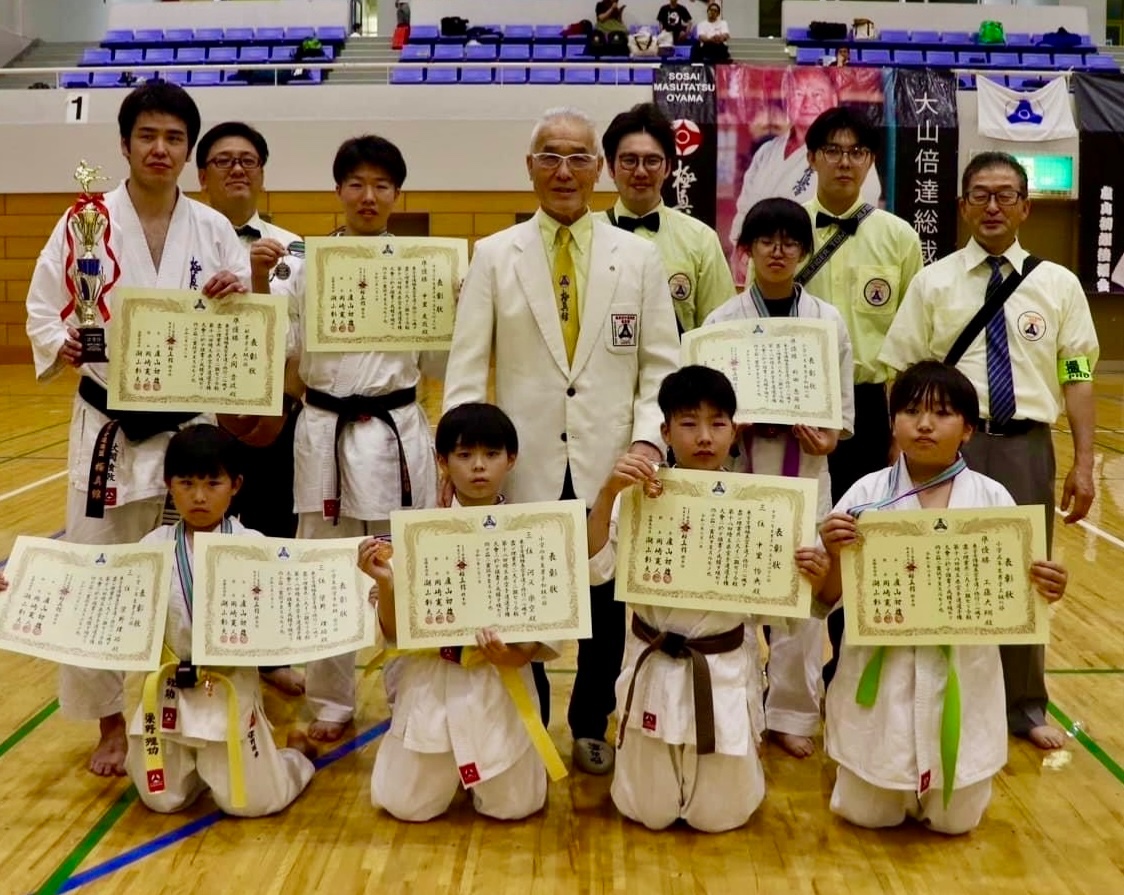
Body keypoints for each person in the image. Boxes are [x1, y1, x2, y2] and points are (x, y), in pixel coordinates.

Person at [443, 107, 680, 776]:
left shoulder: (639, 257)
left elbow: (659, 365)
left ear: (598, 169)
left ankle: (590, 721)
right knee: (526, 596)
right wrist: (461, 458)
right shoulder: (494, 254)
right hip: (523, 463)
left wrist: (647, 443)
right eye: (550, 155)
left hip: (612, 463)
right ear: (530, 167)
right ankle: (531, 718)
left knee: (606, 607)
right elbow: (466, 365)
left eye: (578, 156)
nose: (564, 169)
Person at [24, 82, 249, 777]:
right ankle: (110, 723)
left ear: (189, 152)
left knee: (198, 572)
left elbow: (245, 318)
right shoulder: (83, 221)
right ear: (123, 144)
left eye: (175, 138)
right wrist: (59, 339)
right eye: (148, 135)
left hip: (190, 429)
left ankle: (202, 705)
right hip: (109, 426)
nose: (160, 148)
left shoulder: (214, 229)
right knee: (103, 576)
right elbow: (43, 307)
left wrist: (236, 292)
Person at [879, 152, 1098, 750]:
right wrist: (899, 455)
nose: (993, 206)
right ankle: (925, 695)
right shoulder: (934, 282)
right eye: (980, 195)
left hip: (1026, 448)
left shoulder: (1059, 286)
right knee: (933, 571)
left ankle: (1024, 706)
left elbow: (1076, 374)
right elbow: (900, 374)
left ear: (1026, 206)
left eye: (1005, 195)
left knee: (1025, 576)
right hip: (944, 453)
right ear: (962, 207)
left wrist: (1083, 462)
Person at [818, 361, 1068, 833]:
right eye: (911, 411)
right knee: (868, 814)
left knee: (956, 822)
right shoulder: (865, 495)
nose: (925, 424)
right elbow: (827, 597)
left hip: (961, 677)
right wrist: (831, 553)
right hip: (882, 671)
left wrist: (1047, 586)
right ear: (893, 423)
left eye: (943, 413)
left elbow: (1019, 597)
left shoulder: (993, 501)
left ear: (969, 430)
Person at [586, 366, 830, 830]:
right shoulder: (636, 494)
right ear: (664, 432)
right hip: (654, 662)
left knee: (718, 816)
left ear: (735, 431)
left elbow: (781, 615)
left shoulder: (764, 506)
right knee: (648, 811)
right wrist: (606, 492)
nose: (704, 436)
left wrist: (810, 581)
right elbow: (597, 570)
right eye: (688, 423)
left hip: (721, 671)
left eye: (717, 423)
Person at [288, 135, 443, 743]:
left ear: (397, 195)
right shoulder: (304, 268)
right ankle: (331, 697)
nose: (369, 195)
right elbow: (291, 357)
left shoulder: (419, 269)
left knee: (402, 565)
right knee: (327, 567)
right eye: (356, 183)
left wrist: (448, 305)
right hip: (324, 429)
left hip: (393, 432)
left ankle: (412, 688)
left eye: (381, 185)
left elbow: (433, 363)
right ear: (338, 191)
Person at [704, 198, 854, 757]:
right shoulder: (722, 324)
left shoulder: (826, 321)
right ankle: (738, 705)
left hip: (807, 477)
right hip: (741, 477)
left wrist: (831, 436)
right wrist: (729, 430)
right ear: (745, 251)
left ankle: (791, 713)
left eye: (790, 241)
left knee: (801, 606)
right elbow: (708, 416)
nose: (777, 250)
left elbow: (841, 413)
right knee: (737, 599)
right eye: (765, 240)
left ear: (803, 251)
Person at [362, 403, 558, 821]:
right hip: (434, 677)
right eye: (464, 456)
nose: (478, 467)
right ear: (442, 461)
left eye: (491, 455)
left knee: (514, 807)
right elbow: (397, 630)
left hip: (500, 677)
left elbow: (547, 623)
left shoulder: (534, 532)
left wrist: (516, 655)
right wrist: (385, 582)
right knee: (404, 806)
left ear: (512, 459)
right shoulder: (419, 535)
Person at [793, 107, 924, 686]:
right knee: (801, 537)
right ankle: (786, 677)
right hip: (798, 407)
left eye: (857, 152)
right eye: (832, 149)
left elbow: (911, 344)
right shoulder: (786, 229)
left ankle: (849, 662)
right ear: (812, 157)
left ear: (870, 162)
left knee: (864, 535)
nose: (844, 161)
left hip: (870, 408)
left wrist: (901, 432)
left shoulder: (898, 237)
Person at [129, 425, 314, 815]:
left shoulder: (254, 546)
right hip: (170, 690)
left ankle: (292, 760)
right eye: (187, 483)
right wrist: (17, 588)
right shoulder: (151, 548)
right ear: (169, 485)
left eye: (213, 482)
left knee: (253, 804)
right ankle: (197, 770)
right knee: (163, 800)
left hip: (229, 688)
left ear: (235, 485)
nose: (199, 496)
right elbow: (109, 602)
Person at [195, 120, 305, 698]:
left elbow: (300, 339)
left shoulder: (294, 248)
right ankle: (203, 652)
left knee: (272, 533)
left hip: (274, 422)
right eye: (222, 160)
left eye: (248, 160)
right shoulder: (179, 246)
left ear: (262, 171)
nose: (237, 169)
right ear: (201, 174)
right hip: (201, 422)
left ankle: (268, 656)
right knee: (206, 537)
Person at [596, 103, 736, 335]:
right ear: (611, 167)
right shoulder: (588, 234)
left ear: (668, 167)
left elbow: (719, 333)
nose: (640, 171)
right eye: (629, 160)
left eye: (652, 161)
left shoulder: (701, 240)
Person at [728, 68, 882, 255]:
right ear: (787, 101)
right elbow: (744, 209)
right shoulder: (767, 151)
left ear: (833, 100)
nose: (808, 102)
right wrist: (740, 247)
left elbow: (860, 213)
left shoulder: (849, 156)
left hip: (818, 257)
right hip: (762, 260)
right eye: (798, 94)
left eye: (817, 94)